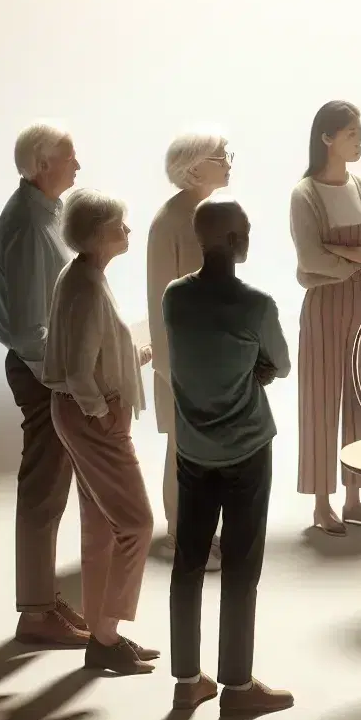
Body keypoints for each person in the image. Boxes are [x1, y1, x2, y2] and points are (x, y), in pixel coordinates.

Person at [163, 198, 296, 715]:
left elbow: (197, 355)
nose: (249, 235)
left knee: (188, 563)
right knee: (241, 565)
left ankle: (186, 679)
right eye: (245, 229)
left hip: (193, 447)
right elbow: (279, 364)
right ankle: (237, 686)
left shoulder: (175, 298)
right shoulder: (256, 305)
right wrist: (255, 367)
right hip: (245, 448)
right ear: (235, 240)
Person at [45, 188, 160, 676]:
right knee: (135, 525)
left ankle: (101, 634)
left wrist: (132, 355)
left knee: (99, 528)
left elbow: (89, 350)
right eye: (120, 225)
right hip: (90, 416)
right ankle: (108, 638)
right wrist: (102, 412)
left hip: (78, 412)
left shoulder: (84, 276)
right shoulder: (87, 286)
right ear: (97, 235)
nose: (128, 231)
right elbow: (76, 368)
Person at [0, 121, 89, 647]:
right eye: (70, 157)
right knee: (43, 491)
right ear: (41, 165)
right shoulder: (31, 225)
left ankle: (43, 600)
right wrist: (65, 378)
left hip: (52, 371)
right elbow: (28, 328)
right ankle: (34, 611)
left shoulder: (46, 212)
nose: (79, 165)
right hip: (44, 375)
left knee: (51, 490)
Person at [290, 100, 361, 536]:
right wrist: (360, 260)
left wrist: (345, 256)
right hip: (322, 309)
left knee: (359, 399)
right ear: (326, 138)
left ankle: (355, 499)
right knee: (319, 400)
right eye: (351, 132)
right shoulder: (305, 194)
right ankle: (321, 503)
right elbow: (308, 257)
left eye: (359, 131)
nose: (358, 139)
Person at [146, 130, 234, 571]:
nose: (229, 161)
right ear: (195, 166)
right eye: (221, 156)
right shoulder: (170, 223)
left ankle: (199, 530)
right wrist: (172, 370)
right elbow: (162, 305)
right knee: (184, 449)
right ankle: (182, 535)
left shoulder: (205, 215)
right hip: (184, 364)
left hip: (211, 360)